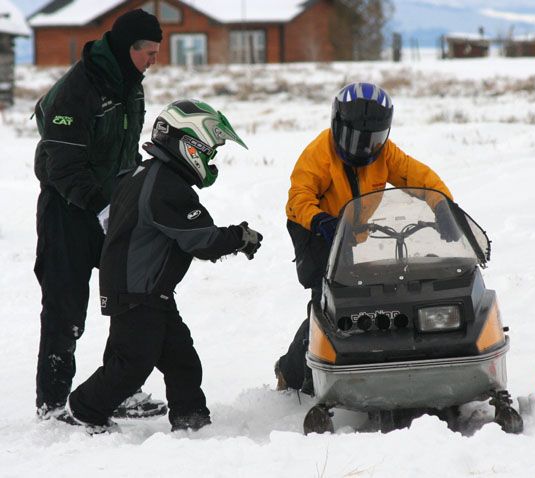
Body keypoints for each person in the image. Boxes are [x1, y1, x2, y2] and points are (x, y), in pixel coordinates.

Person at [62, 99, 263, 433]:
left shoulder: (146, 173)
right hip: (137, 291)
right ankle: (85, 407)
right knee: (132, 364)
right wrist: (240, 237)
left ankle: (190, 417)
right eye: (209, 150)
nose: (211, 158)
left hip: (146, 288)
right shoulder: (167, 186)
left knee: (181, 359)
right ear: (189, 144)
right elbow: (202, 240)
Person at [275, 82, 456, 393]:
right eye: (354, 137)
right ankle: (295, 372)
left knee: (360, 294)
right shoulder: (318, 153)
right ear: (337, 126)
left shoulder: (384, 154)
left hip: (348, 229)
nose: (362, 147)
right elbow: (298, 196)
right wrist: (320, 220)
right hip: (312, 229)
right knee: (327, 301)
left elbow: (419, 177)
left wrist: (443, 206)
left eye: (371, 139)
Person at [33, 9, 166, 420]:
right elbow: (62, 166)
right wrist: (100, 206)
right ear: (129, 49)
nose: (154, 60)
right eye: (149, 52)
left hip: (114, 207)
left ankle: (118, 390)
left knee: (128, 299)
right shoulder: (79, 88)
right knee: (66, 307)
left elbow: (124, 150)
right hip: (68, 212)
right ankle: (53, 402)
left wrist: (130, 194)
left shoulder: (132, 87)